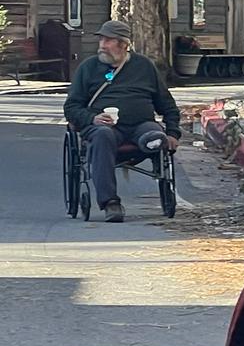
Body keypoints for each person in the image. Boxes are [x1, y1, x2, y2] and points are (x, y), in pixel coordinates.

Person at [63, 20, 179, 223]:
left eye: (108, 40)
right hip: (103, 128)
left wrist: (172, 133)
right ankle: (110, 203)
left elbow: (166, 104)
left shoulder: (143, 66)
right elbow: (71, 107)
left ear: (123, 44)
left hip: (140, 125)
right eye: (101, 40)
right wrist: (93, 118)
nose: (102, 45)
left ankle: (152, 144)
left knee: (154, 135)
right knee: (103, 135)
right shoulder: (88, 68)